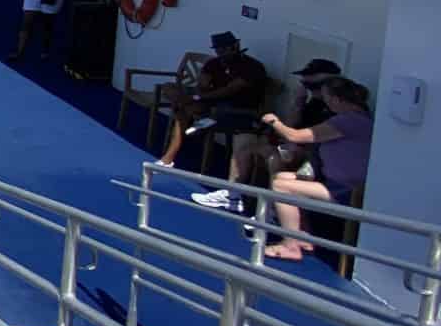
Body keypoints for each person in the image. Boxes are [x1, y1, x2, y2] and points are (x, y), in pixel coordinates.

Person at [191, 59, 339, 214]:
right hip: (295, 141)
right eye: (305, 84)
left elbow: (312, 138)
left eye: (312, 86)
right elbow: (291, 124)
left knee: (275, 157)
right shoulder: (314, 102)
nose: (308, 89)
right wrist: (298, 103)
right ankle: (232, 195)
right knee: (244, 141)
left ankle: (273, 211)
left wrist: (276, 125)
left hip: (316, 152)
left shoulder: (336, 108)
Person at [262, 78, 374, 260]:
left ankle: (290, 246)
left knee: (281, 187)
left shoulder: (347, 121)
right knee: (282, 177)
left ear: (337, 100)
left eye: (327, 98)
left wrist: (274, 121)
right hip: (336, 184)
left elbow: (295, 136)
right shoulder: (360, 118)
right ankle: (301, 234)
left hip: (343, 191)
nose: (325, 102)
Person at [156, 31, 269, 167]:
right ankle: (194, 120)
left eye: (225, 48)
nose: (222, 52)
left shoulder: (252, 67)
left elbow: (228, 91)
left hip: (239, 109)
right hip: (212, 102)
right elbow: (202, 85)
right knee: (170, 89)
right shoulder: (214, 63)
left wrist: (196, 97)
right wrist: (196, 96)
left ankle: (169, 157)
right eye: (219, 49)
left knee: (183, 111)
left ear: (236, 46)